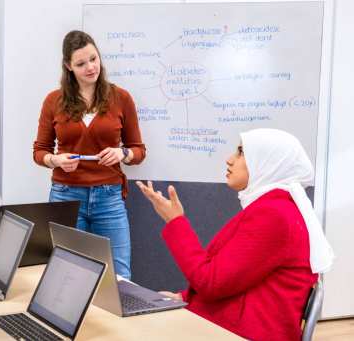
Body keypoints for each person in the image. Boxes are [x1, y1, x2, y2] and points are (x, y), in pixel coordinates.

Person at [137, 128, 334, 341]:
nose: (229, 160)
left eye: (241, 152)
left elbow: (210, 283)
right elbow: (235, 277)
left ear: (266, 162)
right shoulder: (274, 207)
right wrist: (183, 297)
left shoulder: (274, 215)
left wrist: (175, 221)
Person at [33, 30, 146, 279]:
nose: (91, 67)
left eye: (94, 59)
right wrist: (55, 160)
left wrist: (122, 154)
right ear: (68, 66)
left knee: (118, 275)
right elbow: (39, 152)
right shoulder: (54, 100)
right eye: (81, 63)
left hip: (109, 197)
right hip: (66, 196)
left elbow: (138, 151)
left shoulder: (121, 98)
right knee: (66, 275)